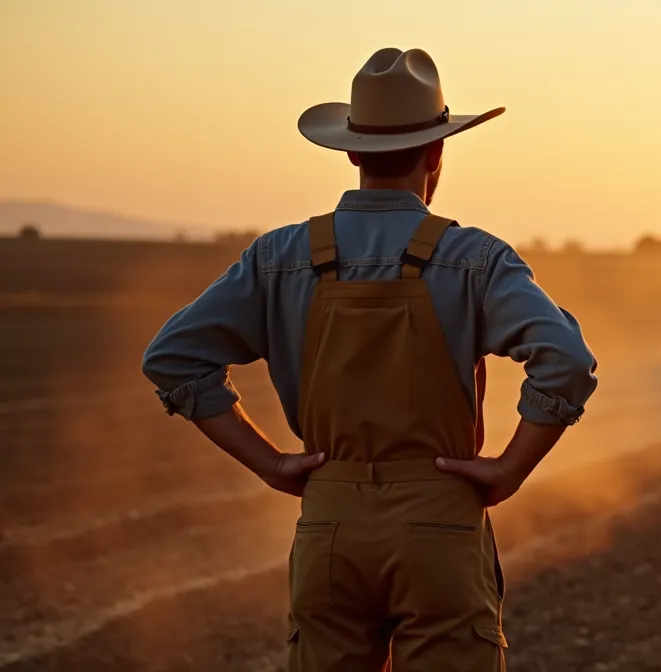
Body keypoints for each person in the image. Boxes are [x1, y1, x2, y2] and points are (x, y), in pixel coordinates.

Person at [141, 47, 599, 671]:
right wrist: (511, 468)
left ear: (352, 151)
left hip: (329, 521)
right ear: (438, 152)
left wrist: (272, 462)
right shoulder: (475, 259)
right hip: (441, 516)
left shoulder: (279, 257)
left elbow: (172, 358)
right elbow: (567, 361)